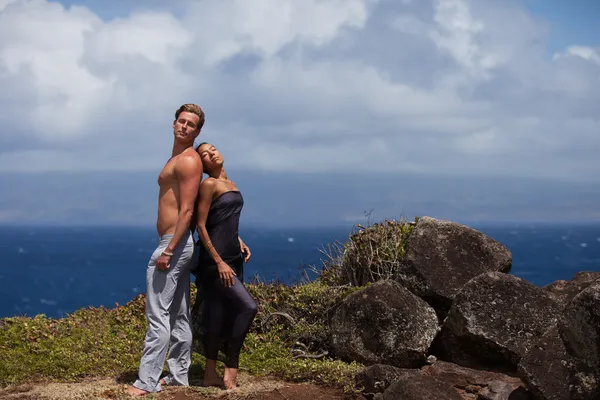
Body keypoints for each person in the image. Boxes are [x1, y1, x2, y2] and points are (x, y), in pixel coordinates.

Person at [127, 104, 205, 397]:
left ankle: (146, 382)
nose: (184, 126)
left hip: (174, 243)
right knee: (178, 313)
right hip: (178, 243)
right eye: (181, 121)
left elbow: (186, 211)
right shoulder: (177, 158)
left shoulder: (187, 161)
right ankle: (178, 376)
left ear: (197, 132)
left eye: (191, 124)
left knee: (157, 313)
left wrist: (169, 250)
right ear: (173, 124)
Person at [194, 142, 257, 390]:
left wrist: (239, 241)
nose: (211, 154)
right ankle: (231, 365)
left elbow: (222, 221)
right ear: (203, 165)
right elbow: (201, 226)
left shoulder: (231, 183)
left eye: (212, 149)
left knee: (217, 314)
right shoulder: (208, 184)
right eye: (205, 155)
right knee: (248, 307)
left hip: (233, 257)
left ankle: (210, 374)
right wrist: (218, 261)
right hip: (216, 261)